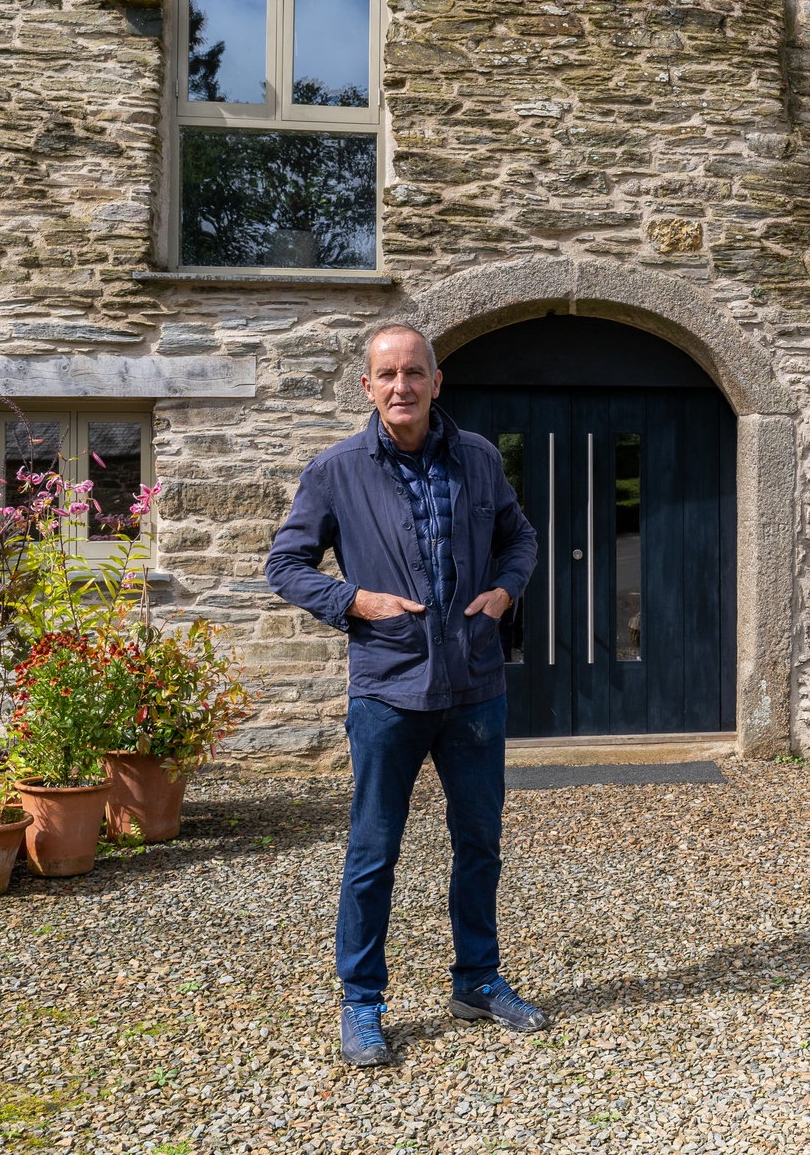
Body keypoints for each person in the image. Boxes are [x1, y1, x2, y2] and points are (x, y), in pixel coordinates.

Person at [265, 323, 546, 1068]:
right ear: (367, 386)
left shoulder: (479, 460)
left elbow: (521, 539)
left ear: (436, 381)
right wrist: (355, 601)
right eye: (386, 374)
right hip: (388, 692)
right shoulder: (336, 470)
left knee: (479, 844)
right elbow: (286, 564)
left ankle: (477, 981)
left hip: (475, 689)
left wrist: (503, 593)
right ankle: (362, 1002)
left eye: (414, 373)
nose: (401, 387)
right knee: (372, 852)